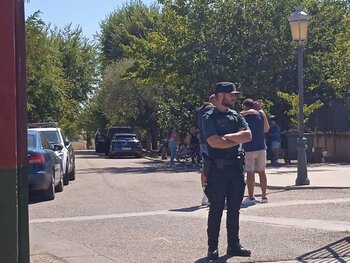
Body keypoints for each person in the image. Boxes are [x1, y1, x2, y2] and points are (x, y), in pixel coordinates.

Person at [202, 82, 252, 260]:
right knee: (215, 209)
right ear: (221, 95)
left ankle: (234, 245)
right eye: (232, 94)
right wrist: (235, 139)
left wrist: (227, 138)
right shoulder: (208, 116)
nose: (235, 97)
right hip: (217, 171)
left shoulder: (236, 115)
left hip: (236, 170)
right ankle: (212, 248)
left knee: (234, 209)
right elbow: (213, 142)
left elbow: (248, 135)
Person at [240, 99, 270, 206]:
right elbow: (266, 129)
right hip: (261, 146)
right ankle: (264, 196)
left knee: (250, 172)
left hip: (249, 147)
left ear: (245, 106)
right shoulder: (260, 115)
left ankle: (251, 197)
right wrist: (262, 112)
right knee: (262, 172)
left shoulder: (243, 116)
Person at [197, 94, 217, 206]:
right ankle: (210, 195)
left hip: (203, 141)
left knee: (205, 167)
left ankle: (205, 194)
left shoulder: (201, 110)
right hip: (210, 141)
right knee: (212, 167)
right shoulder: (211, 109)